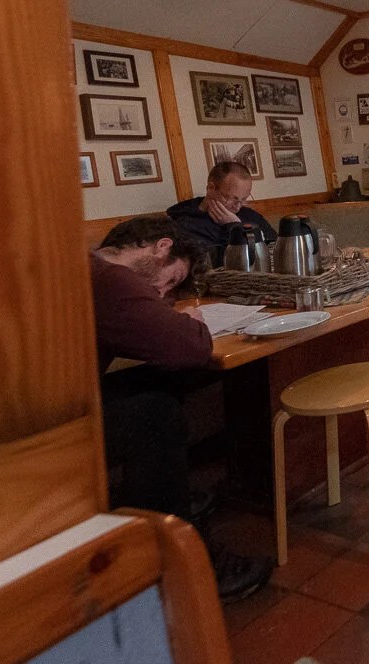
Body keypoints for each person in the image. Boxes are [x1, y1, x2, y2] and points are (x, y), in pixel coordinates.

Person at [92, 214, 272, 603]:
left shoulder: (92, 267)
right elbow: (189, 347)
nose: (162, 291)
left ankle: (160, 500)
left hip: (55, 403)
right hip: (48, 425)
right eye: (172, 279)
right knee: (154, 414)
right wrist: (189, 320)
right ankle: (183, 563)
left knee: (157, 381)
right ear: (161, 246)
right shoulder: (112, 279)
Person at [166, 161, 277, 252]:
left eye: (243, 199)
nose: (237, 207)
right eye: (231, 198)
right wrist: (233, 227)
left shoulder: (250, 215)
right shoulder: (184, 224)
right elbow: (215, 263)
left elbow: (274, 246)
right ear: (211, 188)